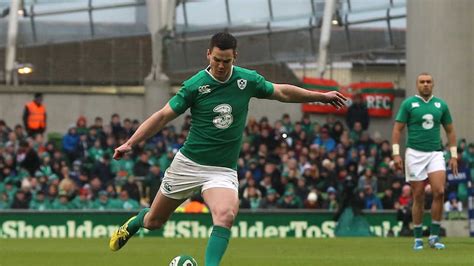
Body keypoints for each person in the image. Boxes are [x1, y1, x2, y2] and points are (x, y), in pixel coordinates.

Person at [108, 32, 346, 265]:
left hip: (221, 170)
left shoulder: (247, 80)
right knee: (154, 222)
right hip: (188, 164)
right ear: (208, 55)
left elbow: (282, 92)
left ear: (235, 57)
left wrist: (321, 96)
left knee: (225, 216)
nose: (221, 66)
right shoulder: (195, 86)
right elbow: (162, 116)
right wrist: (130, 143)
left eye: (227, 61)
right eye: (217, 60)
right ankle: (137, 220)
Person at [391, 72, 457, 250]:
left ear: (433, 84)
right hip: (414, 154)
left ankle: (434, 237)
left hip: (435, 153)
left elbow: (450, 131)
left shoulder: (441, 105)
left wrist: (454, 155)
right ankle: (418, 238)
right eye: (422, 82)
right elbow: (397, 129)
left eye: (428, 82)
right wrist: (396, 154)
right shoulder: (408, 104)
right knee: (418, 195)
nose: (425, 84)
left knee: (440, 192)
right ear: (417, 85)